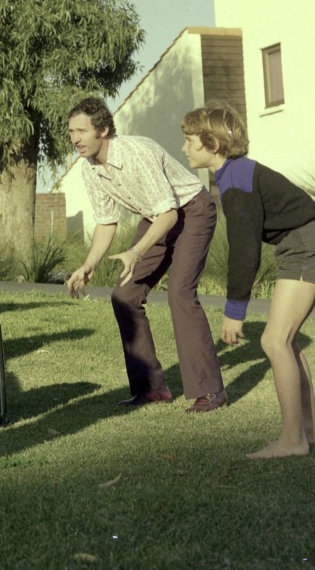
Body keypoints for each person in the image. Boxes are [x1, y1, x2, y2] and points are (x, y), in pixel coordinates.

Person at [181, 102, 315, 458]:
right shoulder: (236, 173)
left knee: (274, 341)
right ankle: (313, 431)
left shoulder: (236, 180)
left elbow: (244, 249)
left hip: (307, 244)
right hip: (306, 242)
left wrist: (234, 310)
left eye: (190, 141)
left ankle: (292, 440)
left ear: (213, 144)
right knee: (285, 341)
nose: (184, 148)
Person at [65, 97, 227, 413]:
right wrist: (88, 265)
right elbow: (105, 222)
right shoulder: (90, 170)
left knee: (180, 292)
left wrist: (136, 252)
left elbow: (169, 215)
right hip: (158, 218)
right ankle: (151, 389)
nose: (75, 139)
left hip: (191, 211)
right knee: (124, 295)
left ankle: (210, 392)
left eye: (82, 131)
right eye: (71, 132)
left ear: (103, 129)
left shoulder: (136, 152)